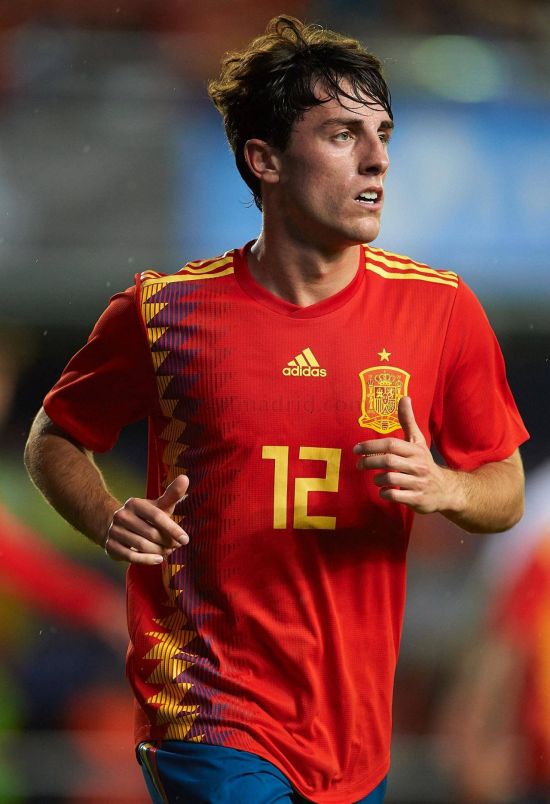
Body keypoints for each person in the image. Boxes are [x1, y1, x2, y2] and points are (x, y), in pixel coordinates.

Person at [24, 16, 528, 804]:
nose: (377, 159)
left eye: (383, 134)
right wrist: (106, 517)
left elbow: (506, 488)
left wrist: (447, 487)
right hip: (207, 708)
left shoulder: (442, 311)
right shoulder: (164, 313)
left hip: (352, 734)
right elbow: (55, 437)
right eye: (342, 134)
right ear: (265, 160)